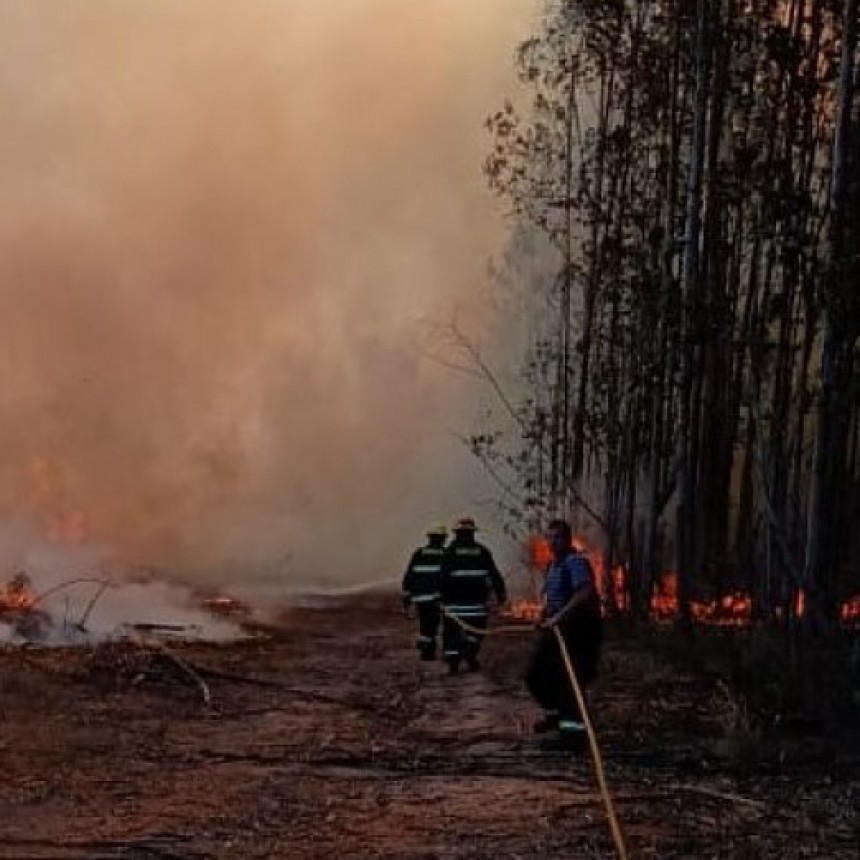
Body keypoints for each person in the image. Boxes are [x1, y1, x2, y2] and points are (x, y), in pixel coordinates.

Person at [525, 518, 603, 746]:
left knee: (569, 681)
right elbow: (552, 598)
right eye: (549, 538)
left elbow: (584, 593)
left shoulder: (574, 562)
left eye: (557, 537)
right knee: (536, 676)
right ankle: (555, 716)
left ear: (567, 539)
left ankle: (573, 735)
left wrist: (559, 617)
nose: (552, 542)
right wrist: (544, 615)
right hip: (557, 629)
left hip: (579, 631)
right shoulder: (553, 565)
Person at [439, 516, 507, 673]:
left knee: (451, 634)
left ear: (457, 533)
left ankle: (453, 663)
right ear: (473, 533)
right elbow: (494, 575)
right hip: (477, 605)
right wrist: (500, 593)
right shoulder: (482, 551)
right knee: (476, 631)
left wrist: (441, 598)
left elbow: (442, 577)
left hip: (454, 606)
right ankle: (470, 652)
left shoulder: (450, 552)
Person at [401, 524, 449, 661]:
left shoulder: (419, 553)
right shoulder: (447, 554)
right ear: (443, 538)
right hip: (438, 598)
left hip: (421, 598)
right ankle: (429, 650)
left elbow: (409, 575)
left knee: (426, 623)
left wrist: (407, 596)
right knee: (434, 624)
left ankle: (426, 647)